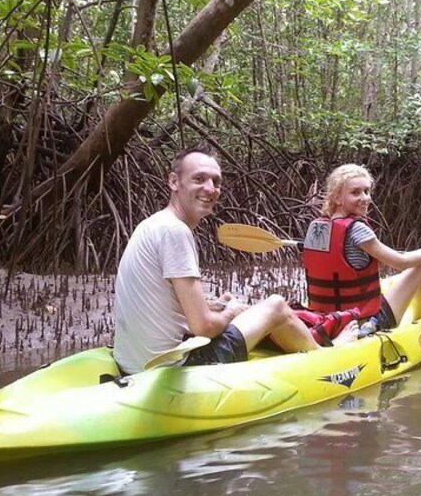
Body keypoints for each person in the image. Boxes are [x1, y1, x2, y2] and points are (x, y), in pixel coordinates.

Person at [113, 144, 322, 374]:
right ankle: (327, 361)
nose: (210, 188)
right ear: (174, 181)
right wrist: (230, 312)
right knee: (277, 306)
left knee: (238, 310)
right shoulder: (175, 231)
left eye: (216, 181)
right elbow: (203, 328)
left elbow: (165, 304)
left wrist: (216, 306)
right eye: (199, 179)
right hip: (174, 367)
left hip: (132, 366)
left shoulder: (154, 224)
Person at [302, 164, 421, 334]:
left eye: (366, 191)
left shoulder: (317, 227)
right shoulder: (357, 229)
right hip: (361, 321)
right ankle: (420, 318)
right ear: (337, 198)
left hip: (325, 318)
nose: (365, 198)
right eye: (355, 192)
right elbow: (401, 263)